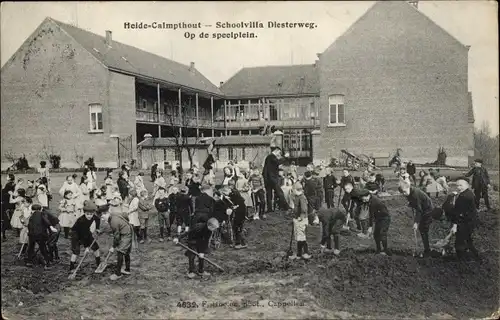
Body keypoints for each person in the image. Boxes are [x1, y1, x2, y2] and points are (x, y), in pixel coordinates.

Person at [399, 181, 434, 257]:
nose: (404, 194)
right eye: (402, 193)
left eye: (404, 192)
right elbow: (413, 201)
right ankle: (426, 249)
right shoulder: (409, 192)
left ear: (408, 187)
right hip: (422, 209)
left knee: (423, 229)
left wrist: (416, 222)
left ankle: (427, 251)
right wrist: (411, 203)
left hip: (427, 210)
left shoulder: (415, 194)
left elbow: (419, 210)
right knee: (422, 229)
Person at [449, 177, 480, 261]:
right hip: (471, 221)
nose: (458, 187)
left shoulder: (464, 197)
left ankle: (460, 260)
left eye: (461, 185)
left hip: (465, 222)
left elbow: (458, 213)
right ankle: (476, 256)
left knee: (459, 241)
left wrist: (454, 226)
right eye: (457, 185)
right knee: (468, 240)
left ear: (467, 185)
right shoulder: (469, 193)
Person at [100, 209, 135, 280]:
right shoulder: (113, 215)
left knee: (120, 252)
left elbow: (116, 236)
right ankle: (127, 270)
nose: (102, 219)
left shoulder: (113, 221)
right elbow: (124, 216)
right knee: (126, 252)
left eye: (103, 217)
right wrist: (103, 231)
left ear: (106, 213)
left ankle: (118, 274)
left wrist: (113, 246)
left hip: (126, 235)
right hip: (128, 231)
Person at [69, 201, 101, 271]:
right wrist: (86, 247)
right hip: (76, 234)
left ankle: (99, 264)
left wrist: (98, 229)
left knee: (95, 247)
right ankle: (71, 267)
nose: (89, 216)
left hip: (86, 233)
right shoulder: (81, 221)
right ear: (84, 213)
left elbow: (97, 220)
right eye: (87, 214)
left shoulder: (95, 217)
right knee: (76, 252)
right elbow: (84, 235)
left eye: (91, 214)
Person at [359, 189, 391, 255]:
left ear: (368, 196)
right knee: (376, 234)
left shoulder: (374, 201)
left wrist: (370, 227)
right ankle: (378, 250)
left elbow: (371, 215)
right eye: (363, 200)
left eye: (365, 199)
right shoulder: (370, 199)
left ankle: (386, 251)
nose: (364, 201)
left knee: (382, 233)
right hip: (378, 218)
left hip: (385, 218)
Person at [26, 204, 55, 268]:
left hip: (32, 234)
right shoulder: (42, 214)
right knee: (43, 248)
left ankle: (29, 261)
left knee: (31, 247)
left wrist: (29, 231)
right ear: (39, 209)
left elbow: (29, 224)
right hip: (40, 234)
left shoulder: (31, 216)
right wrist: (51, 227)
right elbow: (46, 221)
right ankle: (47, 262)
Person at [262, 147, 290, 213]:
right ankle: (286, 207)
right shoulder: (271, 156)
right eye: (279, 153)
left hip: (267, 179)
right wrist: (285, 157)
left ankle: (270, 209)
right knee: (279, 192)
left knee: (269, 194)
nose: (279, 154)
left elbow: (274, 165)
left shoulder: (269, 157)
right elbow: (278, 162)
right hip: (272, 178)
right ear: (276, 151)